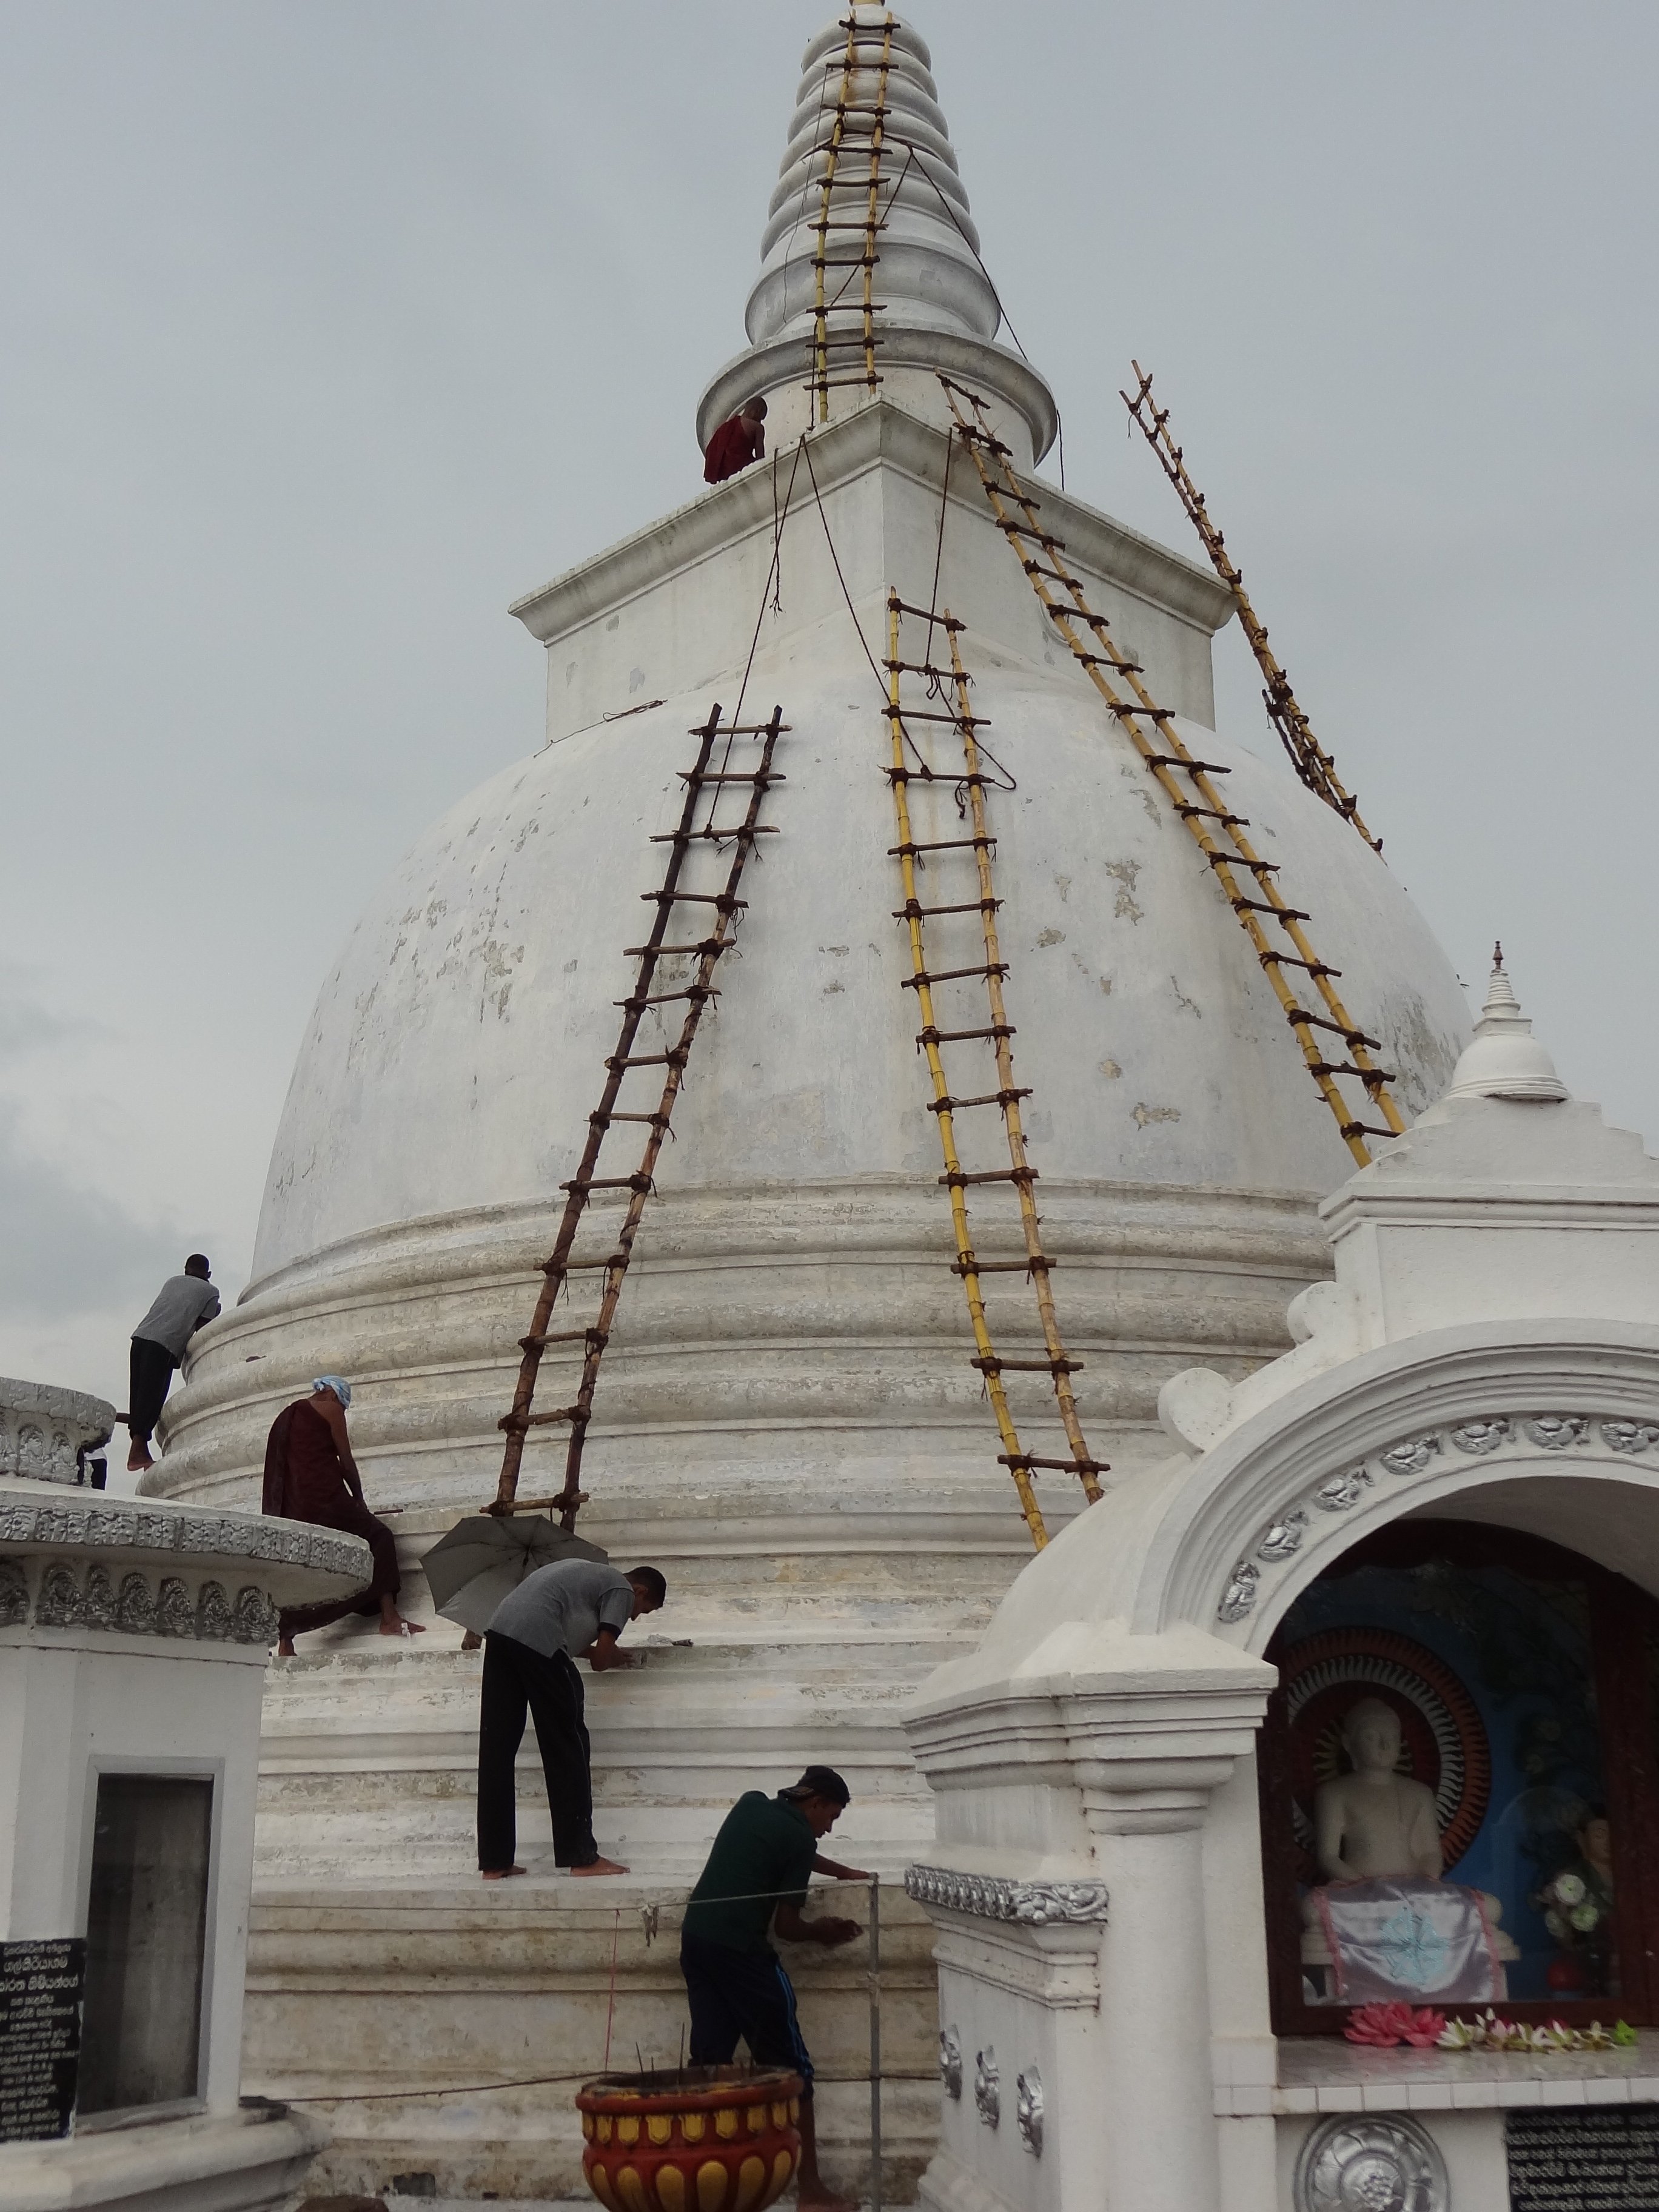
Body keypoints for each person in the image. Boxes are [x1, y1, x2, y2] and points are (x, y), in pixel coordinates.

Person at [680, 1766, 870, 2212]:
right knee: (794, 2069)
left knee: (709, 2063)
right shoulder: (800, 1839)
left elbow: (791, 1851)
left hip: (697, 1942)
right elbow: (787, 1928)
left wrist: (842, 1871)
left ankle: (696, 2183)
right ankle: (812, 2191)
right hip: (744, 1956)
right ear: (817, 1803)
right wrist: (821, 1931)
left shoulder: (751, 1804)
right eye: (832, 1817)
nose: (828, 1829)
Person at [477, 1557, 667, 1881]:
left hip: (500, 1634)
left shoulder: (582, 1574)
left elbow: (563, 1640)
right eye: (642, 1610)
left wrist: (601, 1654)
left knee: (497, 1750)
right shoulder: (621, 1587)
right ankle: (581, 1857)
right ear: (640, 1590)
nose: (633, 1617)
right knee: (568, 1747)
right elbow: (600, 1661)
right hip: (537, 1639)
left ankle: (495, 1862)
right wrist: (614, 1657)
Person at [261, 1376, 423, 1656]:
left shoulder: (287, 1414)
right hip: (325, 1501)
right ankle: (389, 1618)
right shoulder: (332, 1410)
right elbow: (345, 1461)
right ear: (336, 1397)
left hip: (293, 1507)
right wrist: (359, 1498)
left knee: (297, 1564)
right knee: (379, 1537)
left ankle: (286, 1642)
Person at [126, 1255, 220, 1472]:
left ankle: (139, 1450)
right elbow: (203, 1325)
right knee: (152, 1398)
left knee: (139, 1395)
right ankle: (137, 1453)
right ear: (208, 1275)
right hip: (165, 1344)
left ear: (186, 1269)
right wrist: (215, 1312)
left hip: (141, 1337)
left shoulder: (172, 1281)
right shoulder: (211, 1291)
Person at [702, 395, 767, 484]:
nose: (760, 421)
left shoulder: (726, 427)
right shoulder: (758, 427)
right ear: (756, 412)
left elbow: (712, 449)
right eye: (761, 418)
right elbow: (760, 458)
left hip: (723, 471)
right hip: (741, 466)